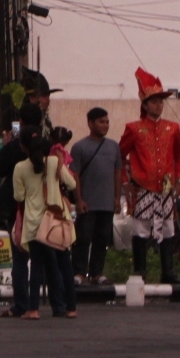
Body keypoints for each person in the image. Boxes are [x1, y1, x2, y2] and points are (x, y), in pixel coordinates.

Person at [119, 69, 180, 284]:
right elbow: (119, 156)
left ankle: (168, 272)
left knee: (168, 227)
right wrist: (125, 182)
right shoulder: (134, 128)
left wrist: (179, 180)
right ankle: (140, 271)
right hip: (142, 186)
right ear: (145, 105)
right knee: (141, 229)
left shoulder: (173, 128)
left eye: (160, 101)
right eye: (154, 101)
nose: (158, 105)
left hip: (166, 186)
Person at [12, 133, 79, 319]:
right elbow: (72, 183)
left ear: (26, 148)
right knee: (65, 265)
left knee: (36, 265)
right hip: (56, 220)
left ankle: (33, 309)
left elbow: (18, 196)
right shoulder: (54, 162)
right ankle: (71, 308)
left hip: (35, 222)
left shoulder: (20, 167)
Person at [0, 104, 36, 316]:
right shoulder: (49, 146)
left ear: (22, 123)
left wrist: (7, 146)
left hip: (18, 207)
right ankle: (57, 304)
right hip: (42, 205)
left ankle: (22, 304)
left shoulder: (16, 147)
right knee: (45, 257)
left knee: (20, 256)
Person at [70, 108, 119, 283]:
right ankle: (79, 272)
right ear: (90, 123)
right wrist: (79, 199)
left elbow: (117, 172)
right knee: (83, 238)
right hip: (88, 203)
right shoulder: (79, 147)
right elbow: (74, 174)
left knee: (102, 239)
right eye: (101, 121)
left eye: (107, 121)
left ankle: (97, 273)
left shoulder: (114, 146)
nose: (105, 125)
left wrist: (117, 198)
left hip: (107, 203)